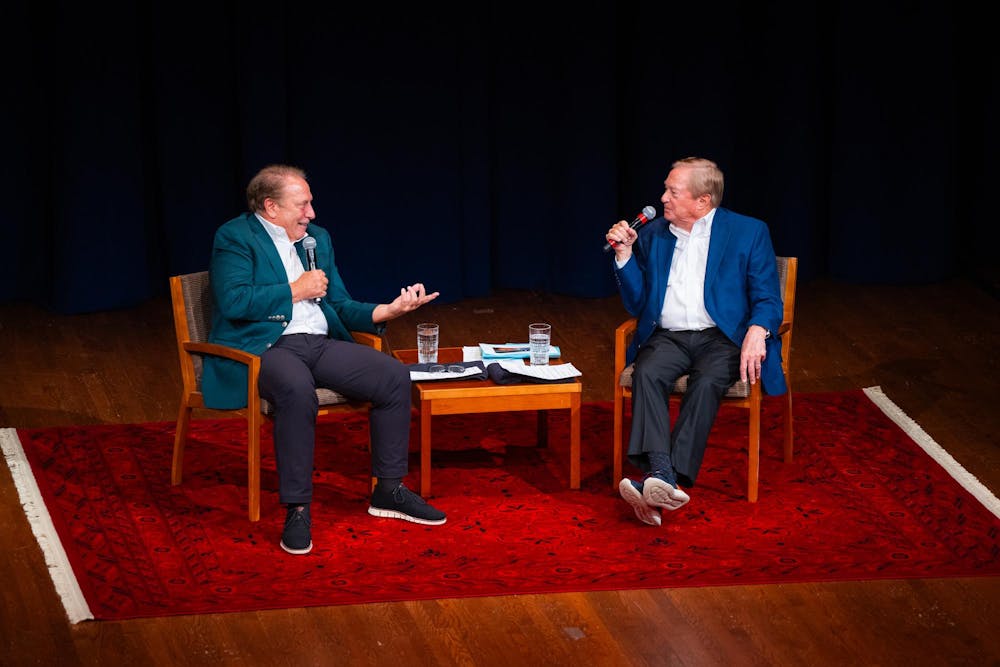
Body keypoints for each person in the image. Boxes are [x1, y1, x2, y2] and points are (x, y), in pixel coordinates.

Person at [201, 164, 446, 555]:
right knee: (297, 392)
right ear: (270, 207)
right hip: (266, 347)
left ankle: (388, 489)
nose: (311, 214)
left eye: (310, 204)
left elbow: (339, 304)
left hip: (317, 342)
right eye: (302, 205)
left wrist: (388, 310)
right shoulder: (235, 237)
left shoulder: (317, 239)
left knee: (392, 377)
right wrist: (295, 289)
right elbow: (234, 301)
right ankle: (297, 508)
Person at [605, 157, 786, 526]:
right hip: (668, 336)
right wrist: (624, 255)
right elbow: (639, 303)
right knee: (648, 372)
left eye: (673, 191)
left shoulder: (748, 232)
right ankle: (663, 476)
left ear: (702, 201)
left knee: (707, 383)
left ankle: (662, 478)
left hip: (722, 338)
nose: (663, 198)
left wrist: (758, 329)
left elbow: (768, 297)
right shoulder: (654, 234)